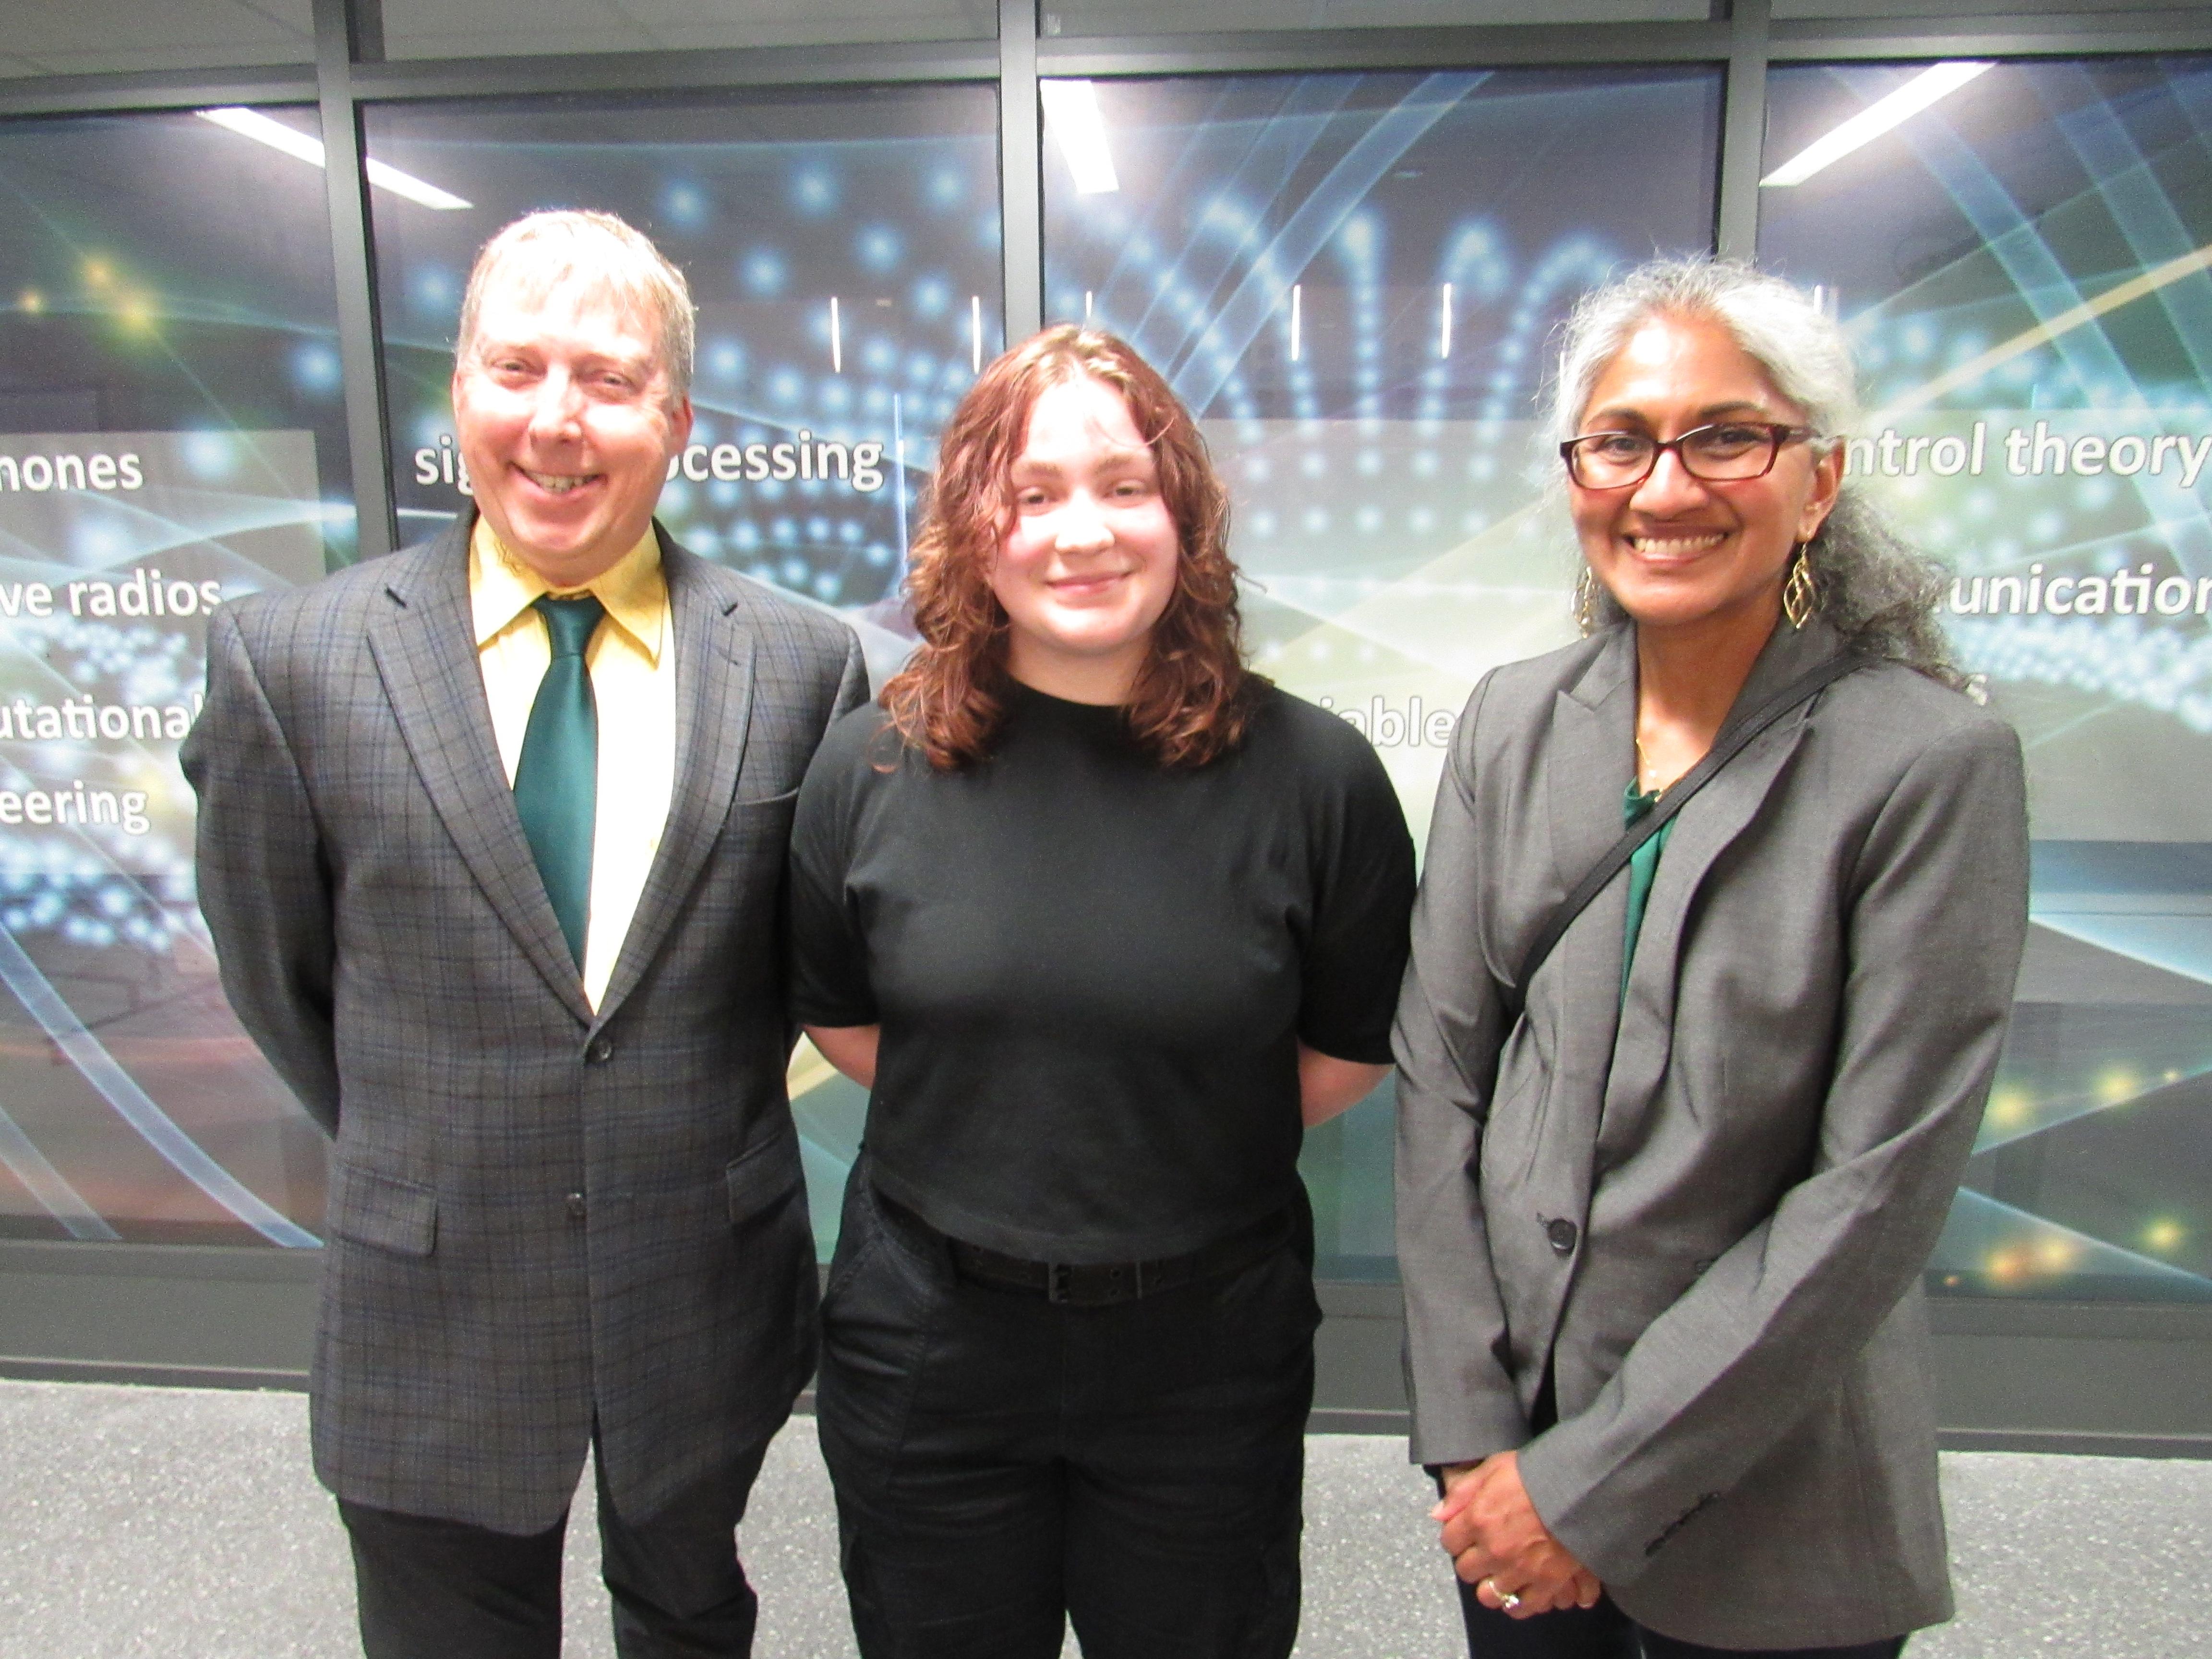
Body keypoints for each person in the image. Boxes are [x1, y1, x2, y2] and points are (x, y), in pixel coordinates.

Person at [181, 209, 865, 1659]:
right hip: (431, 1281)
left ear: (675, 421)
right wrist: (427, 1137)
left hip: (699, 1275)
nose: (557, 422)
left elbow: (789, 972)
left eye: (610, 382)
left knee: (691, 1614)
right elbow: (279, 974)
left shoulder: (802, 663)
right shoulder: (294, 661)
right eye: (517, 369)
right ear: (460, 398)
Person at [1394, 258, 2030, 1659]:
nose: (1664, 487)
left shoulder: (1927, 764)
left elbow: (1871, 1195)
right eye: (1621, 440)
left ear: (1817, 480)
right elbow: (1439, 1072)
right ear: (1577, 476)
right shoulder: (1512, 721)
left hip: (1773, 1502)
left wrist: (1584, 1491)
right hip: (1505, 1475)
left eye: (1726, 435)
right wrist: (1468, 1432)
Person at [787, 325, 1416, 1659]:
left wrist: (1158, 1123)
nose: (1083, 532)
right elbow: (840, 1020)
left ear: (1184, 517)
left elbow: (1349, 1050)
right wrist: (1010, 1114)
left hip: (1205, 1352)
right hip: (932, 1350)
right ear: (974, 525)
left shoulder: (1317, 779)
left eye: (1126, 488)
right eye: (1033, 494)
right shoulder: (868, 771)